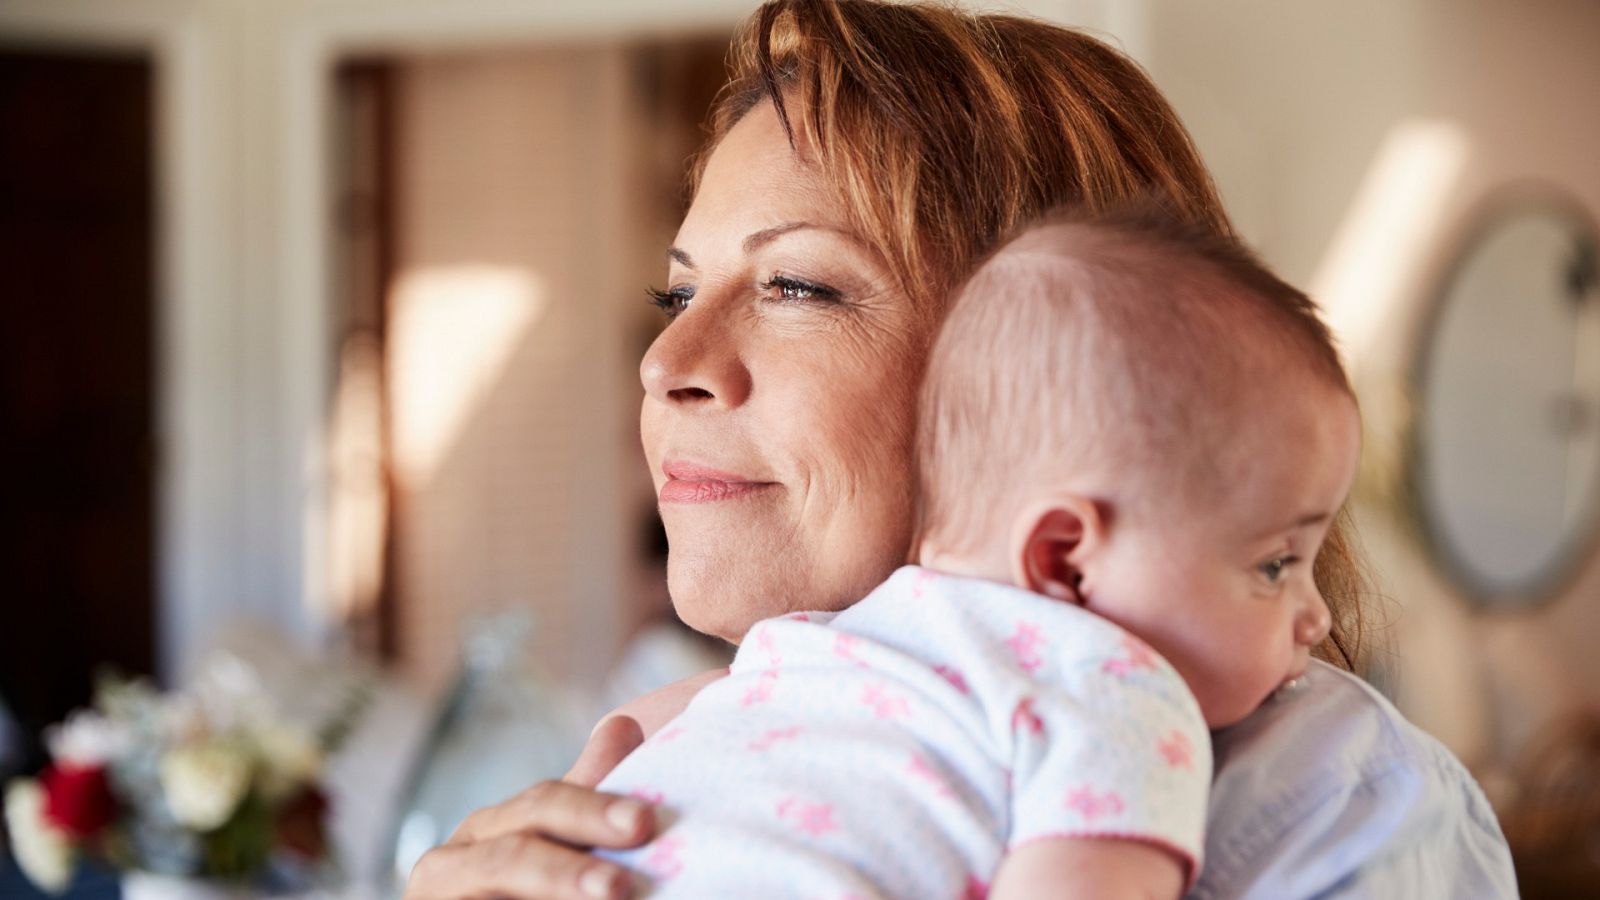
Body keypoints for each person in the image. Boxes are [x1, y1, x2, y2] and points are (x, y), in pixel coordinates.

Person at [404, 2, 1516, 898]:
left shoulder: (1336, 803)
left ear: (1059, 378)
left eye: (796, 285)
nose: (666, 359)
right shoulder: (676, 746)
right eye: (677, 290)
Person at [587, 208, 1358, 898]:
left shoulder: (798, 655)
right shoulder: (1114, 690)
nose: (1315, 615)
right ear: (1063, 559)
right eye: (1274, 566)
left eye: (793, 286)